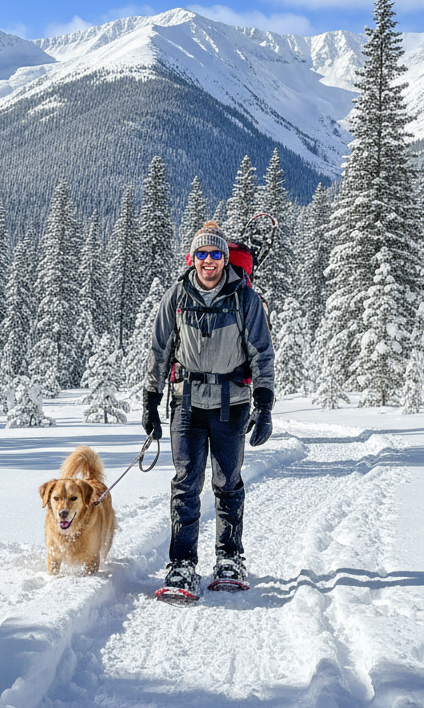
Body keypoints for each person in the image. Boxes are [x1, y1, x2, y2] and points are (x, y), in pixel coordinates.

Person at [142, 220, 275, 594]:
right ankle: (181, 563)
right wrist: (150, 401)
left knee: (227, 483)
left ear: (225, 258)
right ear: (193, 257)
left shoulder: (244, 298)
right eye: (202, 253)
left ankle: (230, 559)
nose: (209, 260)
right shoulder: (177, 296)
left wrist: (264, 405)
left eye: (216, 253)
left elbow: (262, 353)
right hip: (186, 404)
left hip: (232, 404)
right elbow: (159, 350)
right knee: (186, 484)